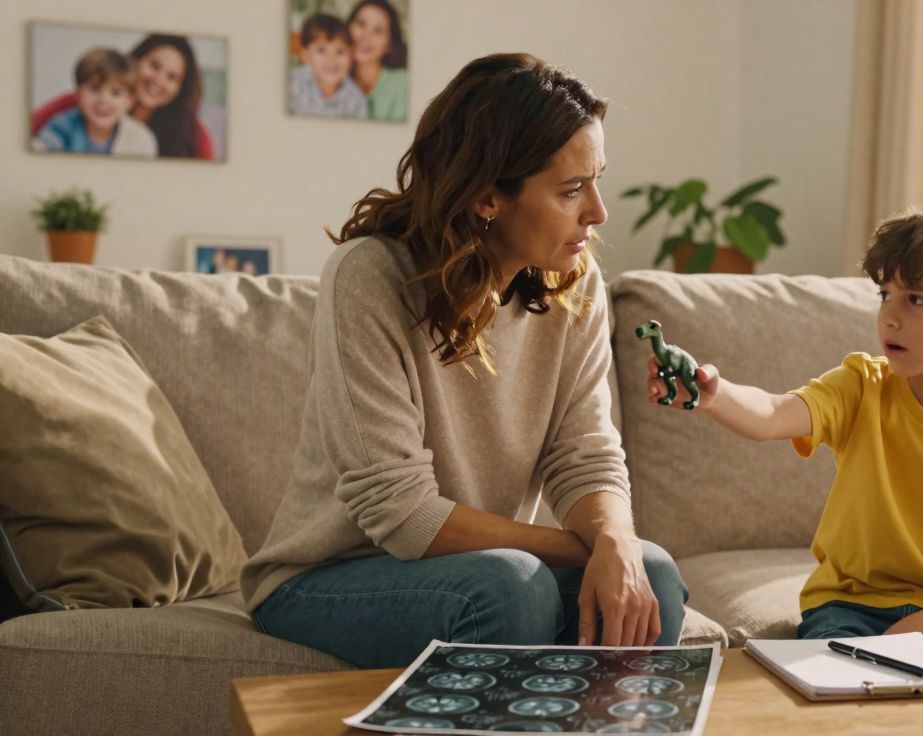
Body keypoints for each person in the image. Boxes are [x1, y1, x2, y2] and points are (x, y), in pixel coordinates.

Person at [242, 52, 687, 669]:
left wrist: (615, 540)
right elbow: (403, 514)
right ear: (486, 197)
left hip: (485, 570)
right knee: (509, 586)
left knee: (654, 576)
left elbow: (584, 454)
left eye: (597, 179)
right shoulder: (369, 277)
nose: (598, 212)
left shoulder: (575, 281)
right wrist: (585, 549)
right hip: (331, 577)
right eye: (571, 189)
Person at [650, 200, 923, 638]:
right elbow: (771, 414)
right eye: (886, 295)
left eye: (916, 299)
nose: (890, 317)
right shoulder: (861, 385)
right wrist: (715, 393)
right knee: (838, 665)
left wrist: (918, 631)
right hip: (850, 607)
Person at [30, 34, 216, 160]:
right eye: (154, 66)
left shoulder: (191, 132)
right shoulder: (75, 105)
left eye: (172, 77)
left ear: (180, 89)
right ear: (135, 61)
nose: (158, 80)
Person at [32, 48, 157, 156]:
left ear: (130, 101)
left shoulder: (140, 138)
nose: (103, 99)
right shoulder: (61, 127)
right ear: (78, 94)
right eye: (95, 89)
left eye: (116, 93)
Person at [289, 13, 368, 118]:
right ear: (306, 56)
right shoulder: (293, 84)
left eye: (340, 51)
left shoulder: (356, 100)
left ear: (351, 55)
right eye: (321, 51)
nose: (331, 60)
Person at [346, 0, 408, 121]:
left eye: (378, 31)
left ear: (389, 45)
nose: (365, 36)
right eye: (361, 24)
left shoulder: (402, 85)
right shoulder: (331, 78)